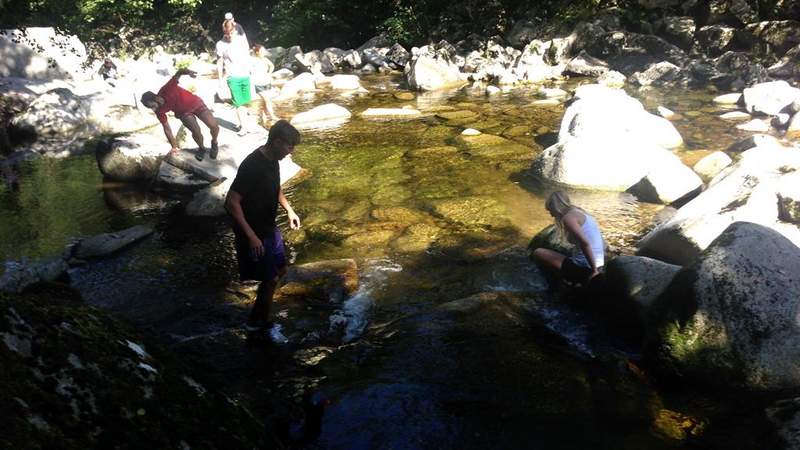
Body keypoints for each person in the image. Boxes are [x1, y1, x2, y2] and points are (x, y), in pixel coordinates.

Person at [225, 120, 302, 336]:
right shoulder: (253, 165)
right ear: (277, 142)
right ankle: (259, 323)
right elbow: (231, 201)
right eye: (289, 146)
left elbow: (274, 188)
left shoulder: (273, 160)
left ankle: (260, 313)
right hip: (254, 232)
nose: (291, 151)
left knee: (280, 270)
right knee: (270, 278)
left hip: (269, 227)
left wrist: (289, 210)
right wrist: (251, 236)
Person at [140, 68, 220, 161]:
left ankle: (214, 142)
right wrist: (174, 147)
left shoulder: (167, 89)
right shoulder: (159, 111)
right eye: (151, 108)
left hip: (195, 103)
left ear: (157, 99)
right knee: (196, 131)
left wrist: (188, 72)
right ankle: (201, 148)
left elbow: (179, 73)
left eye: (153, 106)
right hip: (183, 112)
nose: (153, 109)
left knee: (214, 126)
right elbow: (167, 128)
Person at [531, 191, 605, 290]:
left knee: (538, 252)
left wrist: (594, 271)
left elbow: (585, 243)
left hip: (585, 268)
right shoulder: (579, 212)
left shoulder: (568, 219)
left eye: (550, 211)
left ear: (555, 208)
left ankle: (554, 284)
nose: (551, 215)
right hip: (600, 262)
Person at [217, 18, 253, 134]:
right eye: (227, 33)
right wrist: (220, 80)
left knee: (246, 102)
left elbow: (247, 53)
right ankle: (244, 127)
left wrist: (250, 69)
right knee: (239, 103)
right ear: (224, 32)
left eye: (231, 33)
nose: (230, 35)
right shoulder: (220, 44)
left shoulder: (241, 40)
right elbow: (219, 62)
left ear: (235, 31)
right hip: (232, 77)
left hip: (245, 75)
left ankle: (242, 124)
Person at [252, 44, 280, 123]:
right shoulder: (253, 60)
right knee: (267, 100)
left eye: (264, 51)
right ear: (257, 52)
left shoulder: (265, 59)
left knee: (265, 100)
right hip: (257, 84)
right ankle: (272, 116)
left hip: (266, 82)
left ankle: (263, 116)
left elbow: (272, 66)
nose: (264, 52)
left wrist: (269, 74)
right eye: (262, 51)